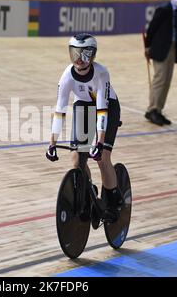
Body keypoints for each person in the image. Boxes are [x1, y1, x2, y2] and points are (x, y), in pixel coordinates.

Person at [45, 33, 122, 223]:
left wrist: (100, 142)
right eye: (75, 54)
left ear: (93, 55)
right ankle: (88, 191)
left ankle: (113, 201)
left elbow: (102, 108)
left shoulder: (101, 72)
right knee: (77, 158)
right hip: (84, 106)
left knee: (102, 157)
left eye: (84, 54)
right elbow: (59, 111)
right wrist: (52, 143)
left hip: (106, 106)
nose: (79, 59)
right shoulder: (66, 76)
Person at [144, 0, 177, 126]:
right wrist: (147, 47)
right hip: (160, 49)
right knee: (159, 79)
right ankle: (152, 109)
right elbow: (151, 29)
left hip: (172, 48)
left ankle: (159, 109)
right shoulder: (163, 9)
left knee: (167, 81)